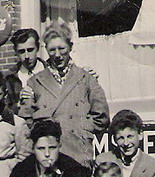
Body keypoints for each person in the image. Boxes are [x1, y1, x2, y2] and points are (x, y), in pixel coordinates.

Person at [18, 22, 109, 167]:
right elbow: (25, 122)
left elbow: (102, 117)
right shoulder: (34, 83)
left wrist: (80, 128)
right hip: (46, 159)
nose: (57, 55)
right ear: (46, 49)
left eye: (62, 48)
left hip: (78, 154)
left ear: (71, 47)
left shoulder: (86, 78)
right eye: (52, 50)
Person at [5, 28, 46, 114]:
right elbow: (5, 110)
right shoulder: (10, 78)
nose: (27, 56)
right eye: (22, 51)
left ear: (38, 48)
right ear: (15, 52)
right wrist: (18, 104)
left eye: (30, 50)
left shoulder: (49, 71)